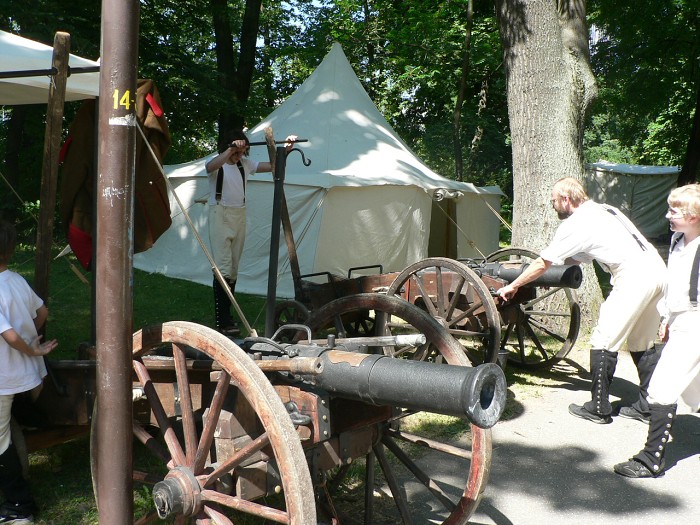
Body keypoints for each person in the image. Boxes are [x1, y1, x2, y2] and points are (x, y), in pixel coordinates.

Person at [497, 177, 666, 424]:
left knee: (603, 339)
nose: (553, 206)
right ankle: (647, 406)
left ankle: (598, 408)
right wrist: (552, 276)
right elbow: (576, 257)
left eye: (554, 201)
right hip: (657, 270)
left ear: (566, 199)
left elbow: (542, 262)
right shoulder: (606, 210)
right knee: (642, 341)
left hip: (633, 276)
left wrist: (513, 285)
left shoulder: (576, 222)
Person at [613, 184, 700, 478]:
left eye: (675, 211)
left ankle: (651, 459)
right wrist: (666, 319)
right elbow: (675, 284)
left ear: (695, 215)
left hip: (696, 323)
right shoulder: (678, 240)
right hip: (681, 320)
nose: (668, 215)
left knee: (662, 387)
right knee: (690, 388)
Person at [205, 130, 297, 335]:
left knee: (234, 268)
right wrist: (230, 149)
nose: (240, 156)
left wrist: (287, 151)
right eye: (238, 152)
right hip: (220, 214)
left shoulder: (244, 164)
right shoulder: (217, 164)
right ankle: (222, 320)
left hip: (239, 214)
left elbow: (273, 167)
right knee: (223, 267)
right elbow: (210, 166)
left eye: (242, 152)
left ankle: (228, 316)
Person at [0, 220, 58, 524]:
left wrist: (27, 346)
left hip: (5, 379)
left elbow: (8, 335)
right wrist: (29, 341)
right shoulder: (16, 281)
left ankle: (19, 506)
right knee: (10, 426)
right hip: (27, 375)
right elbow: (43, 312)